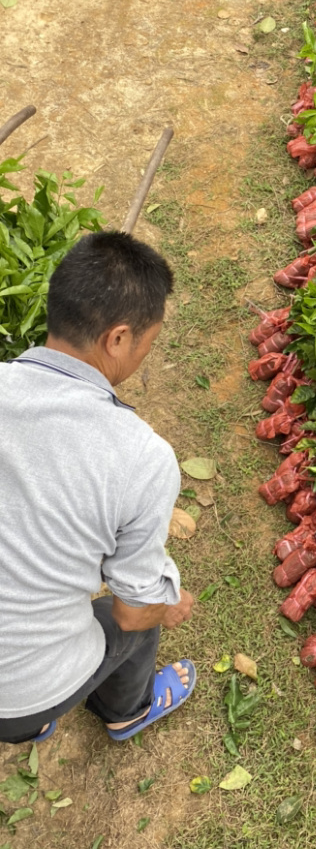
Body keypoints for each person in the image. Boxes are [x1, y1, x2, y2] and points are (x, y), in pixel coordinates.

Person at [0, 231, 196, 745]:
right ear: (118, 338)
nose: (145, 354)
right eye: (149, 342)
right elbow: (133, 611)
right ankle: (124, 710)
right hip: (14, 700)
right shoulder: (142, 458)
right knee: (138, 613)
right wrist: (167, 604)